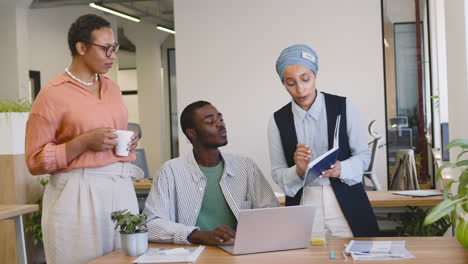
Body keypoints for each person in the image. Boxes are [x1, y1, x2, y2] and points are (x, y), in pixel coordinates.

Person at [25, 14, 141, 264]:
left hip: (121, 187)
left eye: (115, 48)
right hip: (77, 191)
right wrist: (82, 142)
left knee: (128, 259)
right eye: (105, 49)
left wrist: (131, 140)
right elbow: (34, 161)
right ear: (81, 47)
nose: (112, 55)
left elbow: (113, 135)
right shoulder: (52, 95)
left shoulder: (113, 88)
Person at [268, 44, 379, 237]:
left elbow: (363, 156)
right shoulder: (277, 120)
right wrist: (299, 170)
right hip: (303, 205)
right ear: (283, 83)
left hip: (347, 202)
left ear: (315, 75)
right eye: (290, 83)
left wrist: (340, 169)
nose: (300, 89)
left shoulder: (343, 107)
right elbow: (277, 173)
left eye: (305, 79)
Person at [143, 101, 279, 244]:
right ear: (192, 133)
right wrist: (200, 235)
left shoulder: (245, 166)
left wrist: (246, 234)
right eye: (210, 122)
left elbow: (272, 212)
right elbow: (151, 224)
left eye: (221, 119)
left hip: (238, 252)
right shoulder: (170, 171)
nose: (220, 124)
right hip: (191, 254)